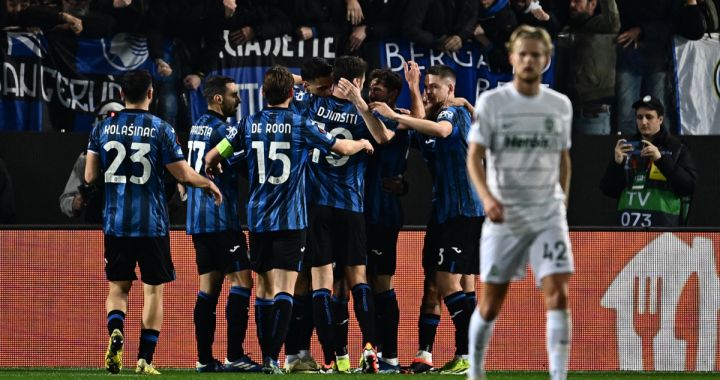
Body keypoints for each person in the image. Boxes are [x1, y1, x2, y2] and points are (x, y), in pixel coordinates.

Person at [204, 65, 374, 374]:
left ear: (262, 93)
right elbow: (339, 146)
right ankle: (272, 357)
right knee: (285, 290)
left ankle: (266, 355)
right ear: (291, 94)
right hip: (291, 219)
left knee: (264, 290)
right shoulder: (300, 123)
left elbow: (215, 154)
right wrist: (362, 144)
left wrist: (211, 164)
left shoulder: (248, 124)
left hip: (257, 219)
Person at [84, 69, 222, 375]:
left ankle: (116, 331)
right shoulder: (162, 128)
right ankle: (145, 359)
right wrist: (208, 184)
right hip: (152, 225)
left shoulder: (103, 129)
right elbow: (183, 174)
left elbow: (90, 176)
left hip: (116, 223)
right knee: (153, 291)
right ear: (151, 94)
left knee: (118, 289)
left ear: (121, 95)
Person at [466, 25, 574, 380]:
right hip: (505, 215)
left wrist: (562, 204)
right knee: (490, 301)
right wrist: (486, 197)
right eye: (523, 54)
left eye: (536, 55)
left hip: (547, 213)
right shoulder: (493, 102)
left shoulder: (559, 105)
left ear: (547, 59)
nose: (529, 60)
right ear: (512, 58)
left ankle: (559, 376)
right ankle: (476, 370)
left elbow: (563, 158)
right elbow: (474, 156)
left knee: (557, 293)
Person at [370, 63, 484, 375]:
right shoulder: (429, 123)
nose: (428, 92)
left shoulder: (453, 114)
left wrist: (394, 115)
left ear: (451, 89)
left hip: (463, 211)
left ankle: (470, 353)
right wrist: (412, 83)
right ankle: (425, 354)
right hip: (442, 213)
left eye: (434, 87)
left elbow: (441, 128)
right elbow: (422, 123)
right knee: (433, 284)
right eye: (426, 87)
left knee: (451, 282)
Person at [294, 55, 393, 373]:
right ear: (360, 81)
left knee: (320, 282)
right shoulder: (365, 111)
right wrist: (360, 101)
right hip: (351, 206)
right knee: (358, 280)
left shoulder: (310, 104)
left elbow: (289, 83)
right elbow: (382, 139)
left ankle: (334, 359)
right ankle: (370, 348)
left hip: (317, 205)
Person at [182, 76, 261, 372]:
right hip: (221, 217)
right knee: (243, 281)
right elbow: (244, 167)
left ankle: (204, 359)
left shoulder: (197, 126)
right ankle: (235, 355)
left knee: (209, 289)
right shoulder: (223, 131)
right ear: (218, 99)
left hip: (198, 220)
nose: (238, 100)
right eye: (233, 95)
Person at [363, 68, 410, 373]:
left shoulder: (400, 122)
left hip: (382, 215)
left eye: (380, 87)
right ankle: (370, 354)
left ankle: (389, 356)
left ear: (393, 94)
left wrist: (404, 185)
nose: (373, 90)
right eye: (371, 86)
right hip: (357, 213)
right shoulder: (363, 117)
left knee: (381, 284)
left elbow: (386, 139)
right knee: (356, 284)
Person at [599, 95, 697, 227]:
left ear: (660, 119)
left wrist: (661, 160)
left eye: (649, 117)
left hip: (664, 233)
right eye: (639, 117)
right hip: (628, 232)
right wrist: (617, 163)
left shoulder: (677, 148)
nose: (643, 122)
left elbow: (689, 187)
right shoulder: (627, 148)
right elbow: (608, 190)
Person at [555, 0, 620, 135]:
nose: (572, 4)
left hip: (593, 113)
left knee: (593, 156)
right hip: (568, 112)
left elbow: (613, 21)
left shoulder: (602, 26)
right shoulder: (567, 30)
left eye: (578, 1)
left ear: (593, 4)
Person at [60, 99, 125, 223]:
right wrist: (76, 202)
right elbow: (66, 200)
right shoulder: (87, 157)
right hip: (97, 228)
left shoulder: (140, 154)